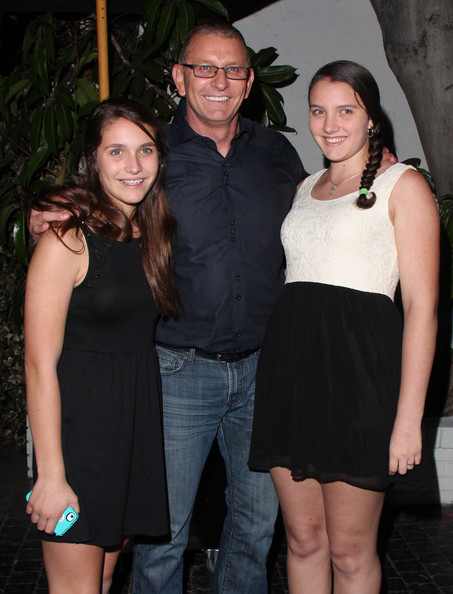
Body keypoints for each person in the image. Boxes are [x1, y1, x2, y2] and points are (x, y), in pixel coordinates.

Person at [30, 23, 307, 593]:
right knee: (161, 534)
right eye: (204, 67)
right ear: (179, 77)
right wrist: (51, 207)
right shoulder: (155, 152)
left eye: (232, 69)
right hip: (177, 370)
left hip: (263, 370)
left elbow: (318, 218)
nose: (219, 80)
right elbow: (98, 194)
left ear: (250, 81)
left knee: (255, 526)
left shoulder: (277, 153)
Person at [249, 60, 440, 593]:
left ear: (371, 118)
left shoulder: (404, 185)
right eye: (318, 110)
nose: (330, 124)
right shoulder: (305, 187)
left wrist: (408, 420)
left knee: (351, 554)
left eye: (346, 110)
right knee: (304, 540)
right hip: (292, 379)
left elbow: (423, 309)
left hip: (359, 385)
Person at [25, 97, 179, 594]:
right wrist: (51, 476)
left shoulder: (148, 232)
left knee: (107, 575)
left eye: (145, 150)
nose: (133, 166)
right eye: (116, 151)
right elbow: (38, 365)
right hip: (78, 442)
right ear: (93, 159)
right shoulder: (66, 241)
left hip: (130, 434)